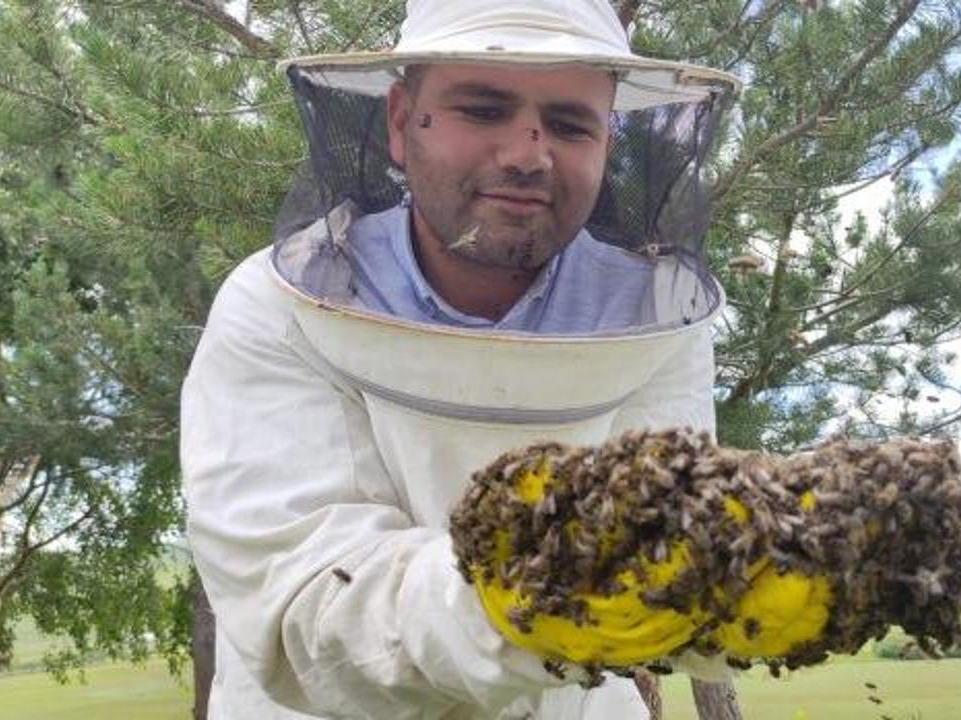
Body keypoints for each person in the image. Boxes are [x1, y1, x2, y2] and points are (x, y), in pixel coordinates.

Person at [181, 1, 739, 717]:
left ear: (608, 142)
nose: (527, 154)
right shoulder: (276, 305)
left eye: (570, 125)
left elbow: (673, 545)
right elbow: (309, 599)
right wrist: (545, 601)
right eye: (482, 109)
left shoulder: (661, 317)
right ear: (399, 124)